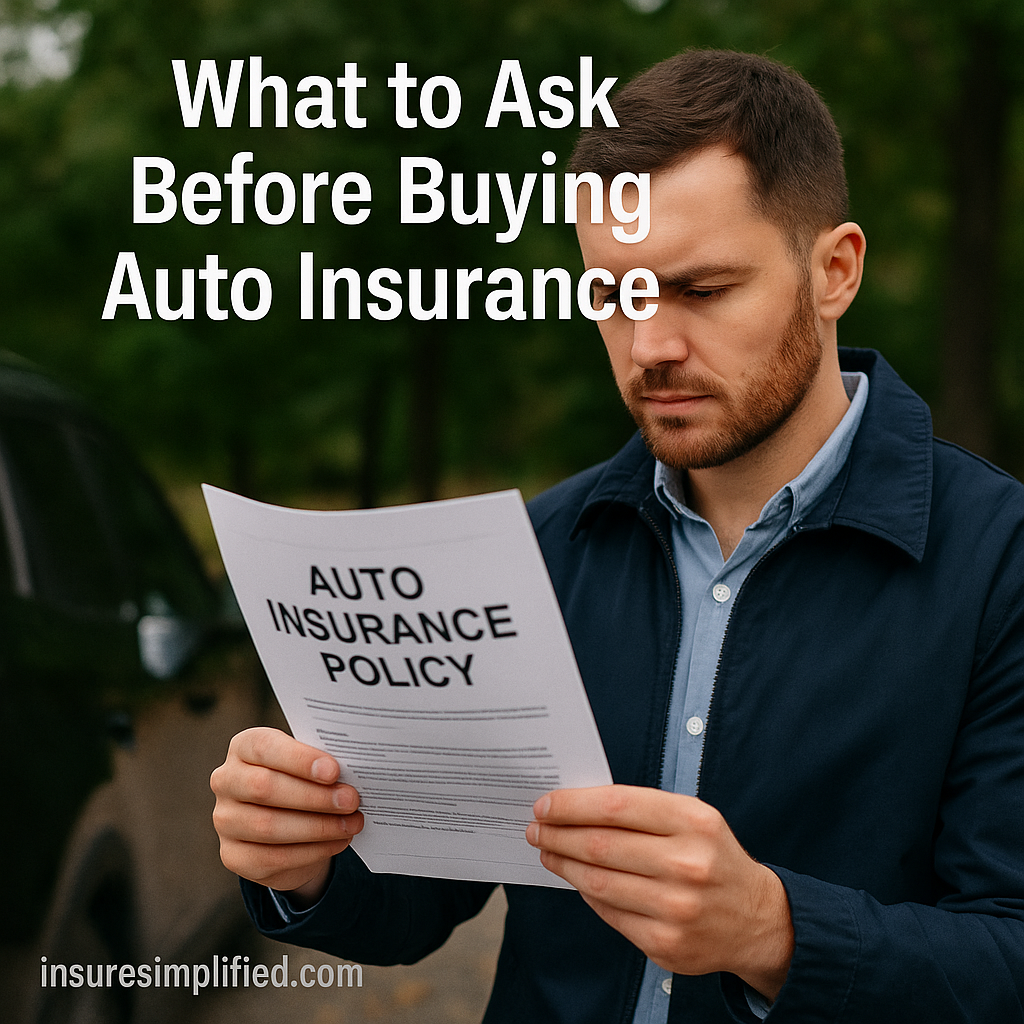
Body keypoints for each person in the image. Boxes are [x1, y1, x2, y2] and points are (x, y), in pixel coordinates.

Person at [210, 50, 1024, 1023]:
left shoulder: (997, 561)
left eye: (701, 289)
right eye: (615, 296)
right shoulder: (536, 551)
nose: (650, 348)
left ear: (834, 270)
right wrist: (306, 866)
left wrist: (775, 931)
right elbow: (420, 898)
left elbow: (1007, 952)